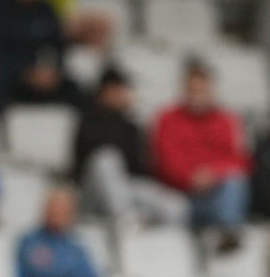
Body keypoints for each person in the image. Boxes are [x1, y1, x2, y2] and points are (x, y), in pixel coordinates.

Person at [74, 69, 187, 227]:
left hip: (126, 188)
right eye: (114, 90)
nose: (119, 95)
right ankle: (125, 221)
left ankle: (163, 239)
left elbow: (139, 168)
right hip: (93, 191)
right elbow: (83, 158)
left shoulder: (131, 126)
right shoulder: (88, 120)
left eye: (122, 90)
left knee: (175, 204)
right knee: (107, 159)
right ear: (102, 93)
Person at [152, 61, 251, 241]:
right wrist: (191, 178)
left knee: (236, 183)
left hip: (215, 194)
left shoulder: (226, 120)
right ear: (184, 89)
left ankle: (228, 236)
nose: (197, 94)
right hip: (179, 196)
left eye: (202, 89)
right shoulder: (167, 118)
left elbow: (239, 160)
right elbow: (165, 161)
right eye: (193, 89)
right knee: (173, 206)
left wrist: (213, 173)